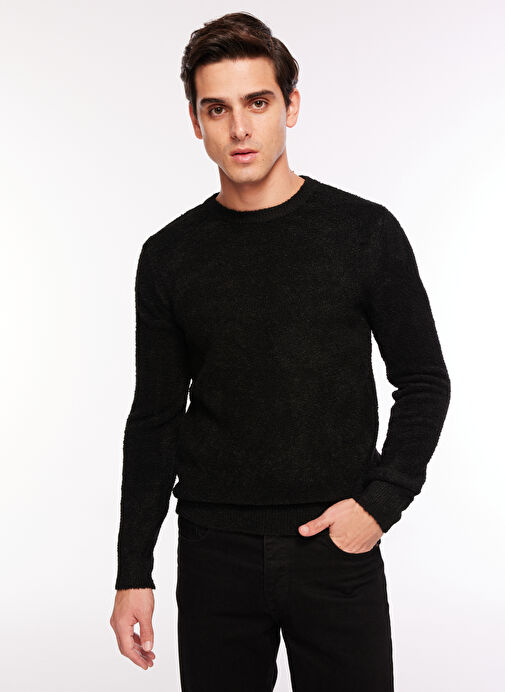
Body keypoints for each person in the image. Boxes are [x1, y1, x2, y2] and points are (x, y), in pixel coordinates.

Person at [109, 11, 451, 691]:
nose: (239, 128)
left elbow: (422, 381)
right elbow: (154, 418)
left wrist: (379, 505)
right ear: (195, 121)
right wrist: (132, 573)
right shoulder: (170, 256)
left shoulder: (363, 233)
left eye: (257, 103)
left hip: (334, 546)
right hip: (214, 555)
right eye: (217, 108)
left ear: (290, 106)